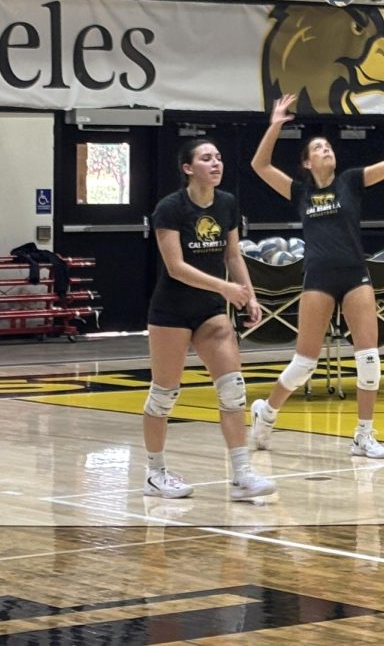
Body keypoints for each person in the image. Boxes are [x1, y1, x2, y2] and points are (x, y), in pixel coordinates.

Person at [249, 93, 384, 459]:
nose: (326, 151)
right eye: (318, 149)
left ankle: (364, 435)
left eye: (328, 147)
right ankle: (267, 412)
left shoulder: (351, 181)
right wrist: (275, 125)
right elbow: (259, 165)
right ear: (307, 163)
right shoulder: (300, 190)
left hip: (355, 275)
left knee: (368, 357)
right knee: (304, 364)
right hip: (318, 278)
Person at [144, 139, 277, 501]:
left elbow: (233, 254)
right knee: (164, 395)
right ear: (188, 168)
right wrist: (226, 288)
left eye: (218, 157)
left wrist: (248, 294)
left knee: (233, 390)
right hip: (171, 311)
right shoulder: (170, 208)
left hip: (210, 311)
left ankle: (242, 474)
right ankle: (155, 473)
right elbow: (176, 267)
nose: (216, 163)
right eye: (206, 158)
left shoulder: (227, 203)